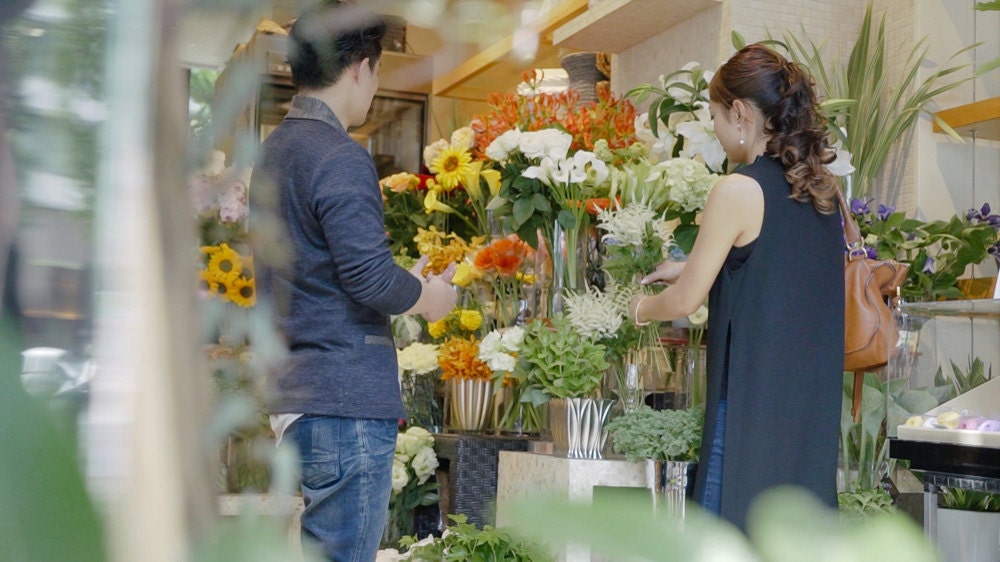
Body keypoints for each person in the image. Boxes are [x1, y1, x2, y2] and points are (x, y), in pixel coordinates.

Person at [249, 3, 456, 560]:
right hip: (342, 396)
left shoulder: (275, 150)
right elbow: (366, 277)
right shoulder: (339, 154)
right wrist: (431, 298)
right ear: (362, 66)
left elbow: (320, 268)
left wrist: (400, 282)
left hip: (296, 388)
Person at [630, 44, 844, 531]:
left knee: (730, 535)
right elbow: (776, 269)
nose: (717, 130)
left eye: (716, 117)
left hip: (749, 407)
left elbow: (686, 302)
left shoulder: (737, 189)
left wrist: (639, 308)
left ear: (742, 114)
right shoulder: (822, 191)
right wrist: (687, 267)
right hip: (808, 414)